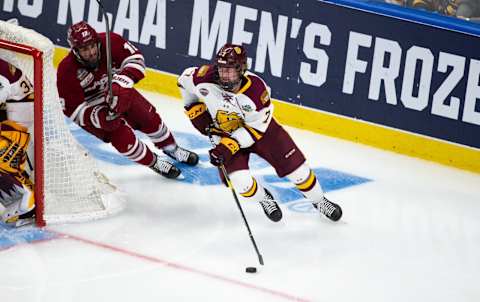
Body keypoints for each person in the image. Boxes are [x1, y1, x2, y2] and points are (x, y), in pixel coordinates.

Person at [177, 44, 342, 222]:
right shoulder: (203, 78)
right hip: (224, 134)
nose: (224, 75)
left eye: (230, 70)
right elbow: (182, 81)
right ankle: (265, 199)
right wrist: (194, 109)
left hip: (261, 132)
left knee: (299, 172)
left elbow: (254, 130)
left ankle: (319, 201)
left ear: (241, 69)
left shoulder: (256, 90)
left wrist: (227, 147)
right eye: (221, 69)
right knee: (241, 183)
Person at [57, 21, 198, 179]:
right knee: (123, 139)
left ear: (97, 41)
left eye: (92, 46)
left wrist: (122, 82)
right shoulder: (66, 71)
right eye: (84, 49)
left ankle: (172, 149)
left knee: (149, 117)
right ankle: (154, 162)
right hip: (93, 105)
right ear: (75, 50)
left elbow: (136, 58)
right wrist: (98, 117)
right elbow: (72, 109)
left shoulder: (111, 42)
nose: (90, 52)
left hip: (117, 90)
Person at [0, 57, 36, 227]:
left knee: (4, 163)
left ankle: (27, 197)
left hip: (21, 123)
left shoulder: (2, 77)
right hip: (9, 117)